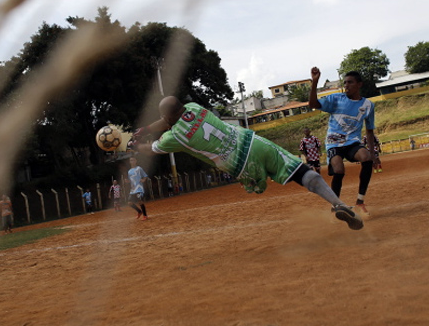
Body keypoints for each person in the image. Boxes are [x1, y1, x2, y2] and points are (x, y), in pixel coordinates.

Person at [129, 96, 363, 230]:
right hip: (252, 142)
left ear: (168, 118)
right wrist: (147, 128)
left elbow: (152, 148)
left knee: (258, 186)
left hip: (239, 164)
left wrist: (135, 144)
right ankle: (338, 203)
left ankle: (257, 183)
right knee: (301, 172)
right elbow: (169, 116)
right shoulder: (194, 107)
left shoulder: (175, 136)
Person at [309, 67, 380, 215]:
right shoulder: (335, 99)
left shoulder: (368, 105)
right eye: (345, 82)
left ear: (359, 84)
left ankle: (360, 202)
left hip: (352, 142)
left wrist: (373, 153)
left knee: (366, 157)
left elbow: (369, 130)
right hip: (334, 142)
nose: (346, 85)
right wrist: (314, 82)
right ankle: (335, 206)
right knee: (339, 170)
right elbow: (313, 104)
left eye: (350, 82)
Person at [127, 156, 149, 220]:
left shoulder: (139, 168)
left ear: (136, 161)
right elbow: (130, 180)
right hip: (133, 189)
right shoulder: (129, 171)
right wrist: (128, 182)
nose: (132, 161)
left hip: (139, 188)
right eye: (131, 160)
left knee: (140, 201)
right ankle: (139, 211)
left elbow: (145, 175)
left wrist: (143, 180)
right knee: (129, 203)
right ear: (129, 162)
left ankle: (145, 215)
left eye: (133, 160)